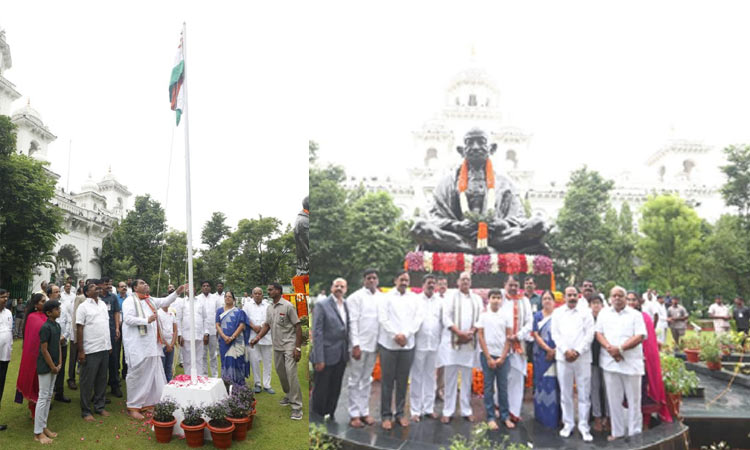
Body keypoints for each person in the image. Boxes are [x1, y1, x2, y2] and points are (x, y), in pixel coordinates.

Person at [122, 279, 187, 419]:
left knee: (152, 375)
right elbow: (127, 319)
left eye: (146, 283)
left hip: (151, 346)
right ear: (135, 288)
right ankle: (133, 406)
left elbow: (165, 301)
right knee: (136, 376)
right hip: (137, 346)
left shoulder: (149, 300)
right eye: (142, 283)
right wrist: (146, 320)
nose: (146, 284)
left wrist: (177, 292)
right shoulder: (130, 301)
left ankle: (148, 404)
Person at [595, 286, 647, 441]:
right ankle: (617, 432)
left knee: (634, 401)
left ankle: (634, 433)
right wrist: (611, 349)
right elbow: (598, 333)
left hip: (631, 363)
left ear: (625, 298)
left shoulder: (635, 315)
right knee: (613, 400)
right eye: (614, 296)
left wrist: (621, 349)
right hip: (610, 363)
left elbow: (640, 336)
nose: (617, 298)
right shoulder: (604, 313)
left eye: (620, 296)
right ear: (610, 298)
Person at [250, 282, 303, 421]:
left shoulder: (288, 306)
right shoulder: (270, 307)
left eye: (271, 289)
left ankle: (297, 407)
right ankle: (288, 395)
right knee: (281, 373)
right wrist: (257, 338)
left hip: (289, 345)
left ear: (279, 291)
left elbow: (298, 326)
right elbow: (267, 325)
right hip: (277, 345)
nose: (268, 291)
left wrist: (297, 347)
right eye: (268, 289)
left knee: (291, 373)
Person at [378, 271, 421, 429]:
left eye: (406, 280)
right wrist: (395, 335)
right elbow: (383, 318)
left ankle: (400, 413)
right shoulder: (386, 297)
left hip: (407, 345)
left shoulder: (414, 298)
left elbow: (418, 318)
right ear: (395, 280)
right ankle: (386, 415)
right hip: (389, 345)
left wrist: (406, 335)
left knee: (403, 381)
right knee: (387, 381)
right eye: (401, 279)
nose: (404, 282)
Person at [438, 271, 482, 423]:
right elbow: (446, 318)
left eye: (468, 280)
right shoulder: (450, 296)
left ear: (471, 282)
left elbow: (480, 319)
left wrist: (470, 333)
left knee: (466, 379)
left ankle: (466, 410)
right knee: (450, 379)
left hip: (469, 343)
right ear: (457, 282)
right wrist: (459, 334)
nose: (465, 282)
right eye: (463, 279)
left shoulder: (476, 298)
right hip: (452, 343)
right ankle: (447, 410)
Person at [551, 286, 594, 442]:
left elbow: (590, 334)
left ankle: (584, 426)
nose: (572, 297)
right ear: (564, 297)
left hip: (582, 358)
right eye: (569, 295)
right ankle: (568, 423)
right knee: (565, 393)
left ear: (578, 296)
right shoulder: (557, 313)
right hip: (563, 358)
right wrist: (565, 351)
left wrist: (577, 351)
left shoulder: (586, 312)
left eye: (574, 295)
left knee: (584, 394)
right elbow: (555, 334)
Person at [625, 292, 672, 428]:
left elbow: (649, 342)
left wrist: (646, 357)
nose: (631, 302)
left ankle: (645, 423)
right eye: (628, 300)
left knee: (644, 391)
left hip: (643, 360)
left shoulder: (644, 317)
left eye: (634, 300)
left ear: (639, 302)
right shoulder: (623, 317)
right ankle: (632, 423)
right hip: (626, 359)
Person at [345, 269, 382, 428]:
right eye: (369, 278)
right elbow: (352, 322)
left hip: (374, 346)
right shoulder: (355, 297)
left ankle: (364, 411)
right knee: (355, 380)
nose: (372, 280)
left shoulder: (381, 297)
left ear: (377, 280)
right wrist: (355, 345)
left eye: (374, 278)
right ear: (364, 280)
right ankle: (354, 414)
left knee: (367, 380)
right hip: (359, 347)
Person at [311, 278, 349, 419]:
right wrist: (319, 358)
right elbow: (317, 333)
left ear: (346, 289)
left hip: (341, 354)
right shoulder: (322, 305)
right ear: (332, 287)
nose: (339, 288)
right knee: (322, 387)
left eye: (342, 286)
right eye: (336, 285)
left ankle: (330, 412)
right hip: (326, 354)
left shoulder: (346, 305)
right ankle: (317, 416)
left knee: (336, 386)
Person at [76, 281, 112, 421]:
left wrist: (108, 345)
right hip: (90, 349)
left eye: (96, 286)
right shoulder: (83, 307)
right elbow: (79, 328)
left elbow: (105, 325)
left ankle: (99, 406)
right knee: (87, 381)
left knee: (102, 379)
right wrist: (81, 351)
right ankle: (86, 411)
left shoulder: (103, 304)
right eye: (92, 287)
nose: (96, 288)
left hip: (103, 348)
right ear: (86, 292)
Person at [478, 288, 513, 430]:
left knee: (503, 388)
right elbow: (480, 336)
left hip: (503, 357)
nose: (496, 300)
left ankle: (505, 416)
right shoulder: (483, 316)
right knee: (488, 387)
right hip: (487, 356)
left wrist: (502, 357)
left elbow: (509, 337)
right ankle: (491, 417)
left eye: (499, 297)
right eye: (494, 297)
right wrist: (488, 357)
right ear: (489, 299)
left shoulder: (506, 315)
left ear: (501, 300)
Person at [409, 274, 442, 421]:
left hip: (434, 344)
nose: (431, 285)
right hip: (419, 344)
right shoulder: (415, 300)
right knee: (417, 377)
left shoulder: (440, 302)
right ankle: (415, 410)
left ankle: (429, 408)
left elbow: (442, 321)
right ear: (423, 284)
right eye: (429, 283)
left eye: (433, 283)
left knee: (431, 377)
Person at [501, 275, 533, 422]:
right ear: (505, 285)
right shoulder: (500, 299)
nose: (513, 288)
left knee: (518, 377)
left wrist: (518, 335)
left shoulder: (524, 301)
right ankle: (499, 407)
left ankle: (514, 411)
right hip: (502, 344)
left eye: (516, 285)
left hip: (519, 344)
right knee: (502, 377)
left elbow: (529, 322)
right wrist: (507, 336)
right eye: (510, 285)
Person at [34, 300, 62, 444]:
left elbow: (57, 344)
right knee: (43, 397)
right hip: (46, 367)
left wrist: (60, 362)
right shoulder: (45, 327)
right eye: (57, 309)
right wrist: (52, 366)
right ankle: (38, 433)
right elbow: (44, 350)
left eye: (59, 308)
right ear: (49, 313)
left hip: (54, 366)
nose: (59, 311)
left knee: (49, 396)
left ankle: (44, 427)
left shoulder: (57, 325)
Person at [531, 290, 560, 429]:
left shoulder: (560, 316)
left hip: (557, 354)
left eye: (549, 298)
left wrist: (554, 350)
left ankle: (555, 417)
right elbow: (536, 335)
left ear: (554, 301)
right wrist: (548, 349)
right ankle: (541, 416)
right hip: (540, 355)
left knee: (554, 385)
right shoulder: (537, 316)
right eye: (544, 299)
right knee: (541, 384)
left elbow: (564, 333)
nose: (547, 301)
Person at [16, 293, 47, 418]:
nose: (45, 303)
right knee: (34, 383)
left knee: (42, 385)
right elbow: (34, 338)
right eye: (42, 301)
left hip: (45, 355)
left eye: (46, 301)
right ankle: (34, 411)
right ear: (35, 305)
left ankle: (39, 410)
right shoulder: (33, 317)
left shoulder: (45, 315)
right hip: (35, 355)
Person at [215, 291, 250, 387]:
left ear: (234, 299)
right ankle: (226, 384)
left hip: (237, 342)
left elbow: (242, 325)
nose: (227, 298)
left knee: (237, 362)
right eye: (226, 296)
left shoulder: (239, 312)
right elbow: (217, 325)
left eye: (230, 297)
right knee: (225, 361)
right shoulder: (219, 311)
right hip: (224, 342)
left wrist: (232, 337)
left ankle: (239, 386)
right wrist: (224, 336)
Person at [243, 287, 274, 394]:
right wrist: (253, 327)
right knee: (254, 361)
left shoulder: (268, 305)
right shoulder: (247, 305)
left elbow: (269, 319)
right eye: (255, 293)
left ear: (262, 295)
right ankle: (257, 384)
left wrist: (261, 328)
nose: (257, 295)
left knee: (267, 362)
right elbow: (244, 318)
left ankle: (267, 384)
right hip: (252, 337)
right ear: (252, 295)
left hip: (266, 337)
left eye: (259, 293)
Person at [177, 282, 209, 377]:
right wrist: (179, 334)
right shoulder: (182, 302)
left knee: (199, 358)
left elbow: (205, 318)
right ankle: (188, 377)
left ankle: (199, 377)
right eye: (188, 288)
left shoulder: (200, 302)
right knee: (187, 360)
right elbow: (178, 319)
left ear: (195, 290)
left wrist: (206, 333)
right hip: (186, 335)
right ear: (185, 291)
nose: (190, 290)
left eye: (192, 288)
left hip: (199, 334)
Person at [98, 278, 122, 398]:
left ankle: (114, 385)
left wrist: (117, 328)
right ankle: (99, 390)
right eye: (106, 284)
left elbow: (116, 312)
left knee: (114, 359)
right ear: (101, 285)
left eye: (109, 284)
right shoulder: (96, 298)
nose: (108, 286)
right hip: (99, 333)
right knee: (101, 361)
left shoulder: (113, 297)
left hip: (112, 331)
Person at [46, 285, 70, 404]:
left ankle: (59, 393)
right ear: (49, 294)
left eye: (59, 291)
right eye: (56, 292)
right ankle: (47, 398)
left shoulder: (63, 306)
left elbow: (68, 322)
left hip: (62, 342)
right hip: (49, 345)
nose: (58, 293)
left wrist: (64, 336)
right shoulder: (45, 307)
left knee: (61, 368)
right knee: (49, 369)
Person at [589, 295, 609, 432]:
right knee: (594, 389)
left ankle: (607, 417)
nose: (596, 306)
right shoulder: (587, 319)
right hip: (591, 360)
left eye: (598, 303)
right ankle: (596, 417)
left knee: (608, 390)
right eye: (593, 303)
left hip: (607, 359)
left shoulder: (608, 319)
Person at [66, 285, 87, 391]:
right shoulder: (80, 298)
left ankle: (83, 378)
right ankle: (71, 378)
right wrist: (75, 334)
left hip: (87, 335)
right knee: (73, 357)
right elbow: (75, 316)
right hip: (76, 332)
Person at [197, 281, 218, 377]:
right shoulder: (197, 299)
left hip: (213, 330)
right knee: (203, 355)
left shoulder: (215, 298)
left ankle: (214, 376)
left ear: (210, 288)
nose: (206, 287)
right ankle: (204, 375)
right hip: (201, 331)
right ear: (201, 288)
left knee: (213, 355)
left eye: (207, 286)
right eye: (204, 286)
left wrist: (218, 329)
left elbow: (218, 314)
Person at [435, 276, 450, 402]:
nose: (442, 286)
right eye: (440, 284)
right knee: (431, 365)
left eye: (444, 283)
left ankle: (440, 388)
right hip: (433, 335)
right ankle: (430, 389)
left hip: (445, 336)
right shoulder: (433, 299)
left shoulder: (450, 299)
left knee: (443, 365)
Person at [0, 289, 12, 431]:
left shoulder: (8, 313)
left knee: (1, 387)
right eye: (2, 297)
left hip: (5, 357)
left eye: (6, 297)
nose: (5, 299)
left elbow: (9, 332)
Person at [158, 302, 177, 382]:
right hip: (162, 344)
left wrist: (172, 344)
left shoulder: (171, 313)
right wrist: (167, 344)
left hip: (171, 343)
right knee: (162, 367)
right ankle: (162, 386)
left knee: (169, 367)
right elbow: (159, 331)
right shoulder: (158, 313)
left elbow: (175, 330)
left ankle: (169, 384)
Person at [116, 281, 129, 384]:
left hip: (128, 327)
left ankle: (125, 372)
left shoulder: (130, 299)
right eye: (122, 287)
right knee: (116, 350)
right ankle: (116, 372)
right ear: (118, 289)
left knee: (126, 350)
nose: (124, 288)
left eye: (125, 286)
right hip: (118, 327)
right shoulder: (115, 298)